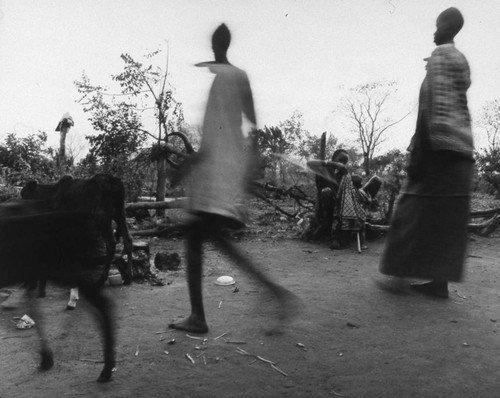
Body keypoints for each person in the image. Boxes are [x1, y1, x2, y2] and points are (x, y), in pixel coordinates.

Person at [168, 23, 295, 334]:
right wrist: (248, 161)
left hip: (217, 170)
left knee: (201, 238)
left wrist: (193, 165)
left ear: (216, 44)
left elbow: (217, 133)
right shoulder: (238, 77)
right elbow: (248, 122)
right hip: (225, 167)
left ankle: (269, 296)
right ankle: (271, 294)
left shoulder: (226, 78)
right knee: (207, 238)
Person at [379, 7, 474, 299]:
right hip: (462, 150)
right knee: (445, 217)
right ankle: (439, 283)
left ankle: (398, 280)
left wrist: (418, 151)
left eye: (438, 26)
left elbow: (428, 107)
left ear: (448, 28)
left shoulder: (440, 58)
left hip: (436, 148)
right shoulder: (460, 61)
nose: (434, 31)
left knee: (411, 208)